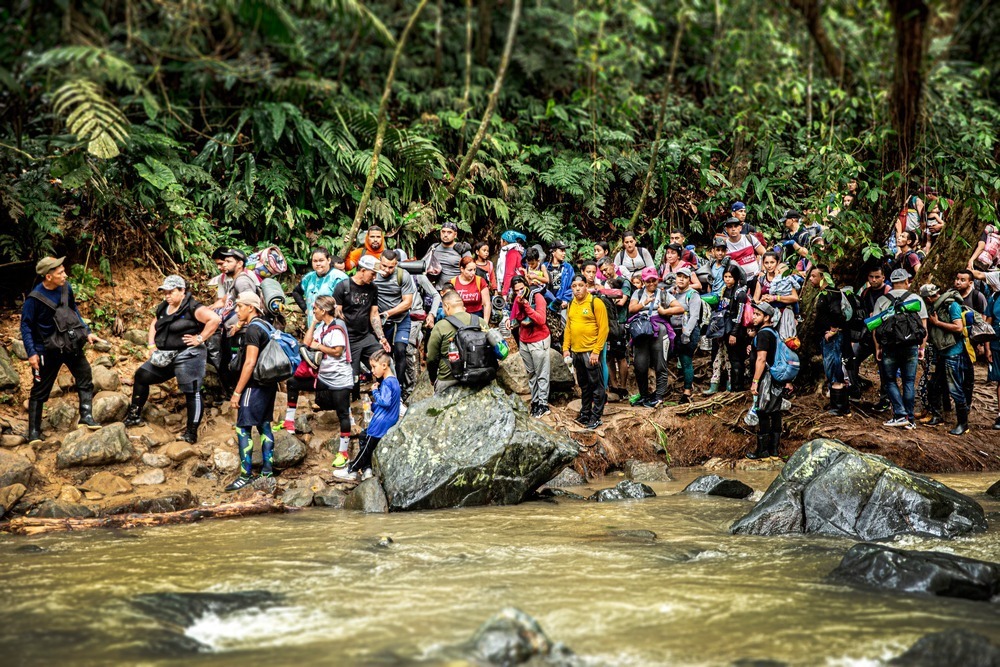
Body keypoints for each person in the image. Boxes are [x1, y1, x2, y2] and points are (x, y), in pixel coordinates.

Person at [123, 275, 221, 443]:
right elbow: (155, 323)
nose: (167, 296)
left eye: (171, 292)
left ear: (182, 291)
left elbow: (215, 319)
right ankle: (134, 415)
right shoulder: (163, 307)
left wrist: (200, 338)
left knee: (192, 392)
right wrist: (151, 345)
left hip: (189, 355)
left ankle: (191, 433)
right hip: (166, 355)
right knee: (141, 375)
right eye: (165, 293)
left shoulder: (193, 307)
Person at [21, 256, 105, 444]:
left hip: (70, 343)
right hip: (46, 349)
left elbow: (74, 310)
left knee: (84, 374)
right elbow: (25, 326)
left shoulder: (66, 288)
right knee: (40, 390)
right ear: (48, 277)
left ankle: (86, 416)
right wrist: (32, 353)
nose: (65, 275)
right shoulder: (34, 299)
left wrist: (87, 332)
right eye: (60, 273)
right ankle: (34, 432)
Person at [283, 297, 353, 468]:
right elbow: (307, 343)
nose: (313, 311)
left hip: (339, 378)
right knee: (293, 382)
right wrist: (313, 323)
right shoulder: (323, 326)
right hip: (323, 376)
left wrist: (319, 347)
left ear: (323, 310)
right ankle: (289, 422)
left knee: (342, 413)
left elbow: (337, 351)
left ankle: (343, 452)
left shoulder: (338, 327)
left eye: (315, 309)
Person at [225, 293, 279, 491]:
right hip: (268, 384)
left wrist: (237, 392)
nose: (237, 310)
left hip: (253, 385)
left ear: (251, 307)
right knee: (264, 426)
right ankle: (267, 470)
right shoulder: (265, 325)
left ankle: (245, 475)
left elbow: (249, 362)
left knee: (243, 428)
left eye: (240, 306)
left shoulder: (253, 330)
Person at [333, 350, 400, 482]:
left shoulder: (387, 382)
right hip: (388, 419)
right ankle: (367, 469)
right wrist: (372, 406)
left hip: (381, 423)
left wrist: (375, 392)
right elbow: (389, 403)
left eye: (374, 367)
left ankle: (351, 470)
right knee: (363, 436)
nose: (372, 370)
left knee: (366, 449)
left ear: (385, 366)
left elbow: (385, 402)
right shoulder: (394, 381)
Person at [872, 269, 927, 430]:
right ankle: (909, 418)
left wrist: (878, 348)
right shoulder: (916, 299)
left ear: (891, 281)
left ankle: (900, 414)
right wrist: (921, 347)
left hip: (890, 347)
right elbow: (923, 326)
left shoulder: (882, 300)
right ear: (907, 281)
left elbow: (875, 328)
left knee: (889, 381)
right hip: (911, 346)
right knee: (909, 381)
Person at [333, 255, 391, 398]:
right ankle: (354, 405)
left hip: (365, 336)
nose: (374, 277)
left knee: (383, 361)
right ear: (363, 270)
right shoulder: (343, 287)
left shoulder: (372, 288)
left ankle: (388, 396)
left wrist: (381, 337)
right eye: (372, 274)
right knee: (353, 377)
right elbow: (336, 313)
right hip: (349, 339)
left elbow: (374, 313)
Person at [628, 267, 683, 407]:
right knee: (640, 365)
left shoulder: (664, 294)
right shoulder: (638, 293)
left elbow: (680, 308)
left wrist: (664, 311)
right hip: (642, 331)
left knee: (660, 364)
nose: (651, 283)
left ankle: (659, 397)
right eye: (648, 281)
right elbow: (631, 309)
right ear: (644, 282)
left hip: (660, 330)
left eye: (654, 280)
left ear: (657, 280)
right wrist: (644, 303)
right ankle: (644, 395)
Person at [922, 283, 971, 435]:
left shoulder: (952, 305)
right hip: (942, 353)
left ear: (929, 298)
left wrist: (937, 323)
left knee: (955, 389)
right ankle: (937, 416)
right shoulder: (936, 307)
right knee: (934, 385)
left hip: (953, 353)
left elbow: (958, 327)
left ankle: (963, 424)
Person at [563, 275, 608, 428]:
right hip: (576, 352)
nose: (577, 289)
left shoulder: (596, 302)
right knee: (584, 385)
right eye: (574, 286)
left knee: (596, 385)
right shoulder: (571, 304)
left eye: (580, 285)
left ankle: (596, 416)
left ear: (586, 286)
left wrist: (596, 351)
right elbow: (568, 328)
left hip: (591, 351)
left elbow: (604, 329)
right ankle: (585, 413)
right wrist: (565, 349)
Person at [809, 266, 853, 417]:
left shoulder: (831, 293)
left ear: (822, 277)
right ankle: (837, 404)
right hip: (827, 338)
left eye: (813, 276)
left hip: (835, 339)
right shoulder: (823, 294)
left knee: (835, 369)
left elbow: (836, 312)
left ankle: (840, 407)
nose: (810, 279)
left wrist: (833, 330)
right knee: (831, 369)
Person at [426, 290, 489, 393]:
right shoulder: (480, 321)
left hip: (448, 379)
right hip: (479, 377)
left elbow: (431, 358)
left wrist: (433, 379)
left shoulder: (440, 326)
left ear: (446, 306)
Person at [375, 249, 416, 394]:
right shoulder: (373, 273)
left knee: (400, 350)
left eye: (390, 267)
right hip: (381, 322)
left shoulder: (402, 275)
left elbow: (408, 303)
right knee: (382, 354)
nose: (386, 270)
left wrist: (388, 313)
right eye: (384, 266)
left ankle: (398, 388)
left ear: (396, 264)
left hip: (400, 319)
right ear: (380, 261)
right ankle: (382, 387)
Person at [747, 301, 785, 459]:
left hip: (766, 378)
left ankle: (762, 451)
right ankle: (774, 451)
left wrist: (755, 381)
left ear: (767, 317)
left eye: (757, 314)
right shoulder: (774, 332)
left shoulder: (763, 334)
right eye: (754, 313)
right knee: (775, 411)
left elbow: (761, 360)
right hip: (777, 378)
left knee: (762, 411)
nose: (753, 317)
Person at [509, 275, 552, 416]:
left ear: (526, 286)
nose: (519, 293)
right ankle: (535, 402)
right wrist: (510, 321)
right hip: (524, 339)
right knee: (531, 373)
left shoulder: (537, 297)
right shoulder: (516, 299)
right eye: (516, 290)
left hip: (539, 339)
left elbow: (541, 319)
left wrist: (526, 305)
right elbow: (515, 315)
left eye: (522, 289)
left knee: (542, 374)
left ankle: (543, 404)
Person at [852, 265, 892, 409]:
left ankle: (885, 399)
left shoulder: (888, 293)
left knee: (884, 369)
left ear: (883, 278)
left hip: (882, 336)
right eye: (871, 277)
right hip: (867, 335)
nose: (874, 280)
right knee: (852, 359)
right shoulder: (866, 293)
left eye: (877, 277)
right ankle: (855, 391)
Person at [291, 247, 348, 328]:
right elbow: (296, 292)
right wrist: (305, 309)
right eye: (315, 261)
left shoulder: (339, 278)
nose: (318, 264)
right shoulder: (309, 277)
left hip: (332, 328)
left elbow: (348, 302)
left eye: (321, 260)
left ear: (328, 260)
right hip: (312, 326)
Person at [672, 267, 703, 402]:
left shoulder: (693, 294)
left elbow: (694, 316)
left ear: (689, 280)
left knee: (686, 360)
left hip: (687, 331)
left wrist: (687, 333)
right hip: (674, 330)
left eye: (684, 277)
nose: (681, 279)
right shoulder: (673, 293)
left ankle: (687, 391)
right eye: (679, 276)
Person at [721, 265, 750, 393]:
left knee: (737, 359)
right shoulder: (725, 290)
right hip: (727, 328)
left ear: (736, 278)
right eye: (725, 277)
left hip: (737, 331)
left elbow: (739, 315)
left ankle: (738, 388)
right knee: (733, 359)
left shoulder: (740, 294)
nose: (727, 280)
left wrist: (734, 333)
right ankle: (733, 387)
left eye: (730, 277)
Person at [425, 221, 472, 289]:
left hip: (458, 290)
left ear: (455, 235)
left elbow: (471, 270)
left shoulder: (462, 249)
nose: (445, 235)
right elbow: (424, 266)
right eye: (443, 232)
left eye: (449, 232)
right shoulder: (434, 248)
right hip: (438, 290)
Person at [723, 216, 765, 281]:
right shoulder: (724, 245)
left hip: (756, 277)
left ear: (740, 228)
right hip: (738, 281)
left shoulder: (749, 238)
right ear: (726, 229)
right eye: (730, 227)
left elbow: (763, 253)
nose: (733, 229)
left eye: (736, 226)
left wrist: (762, 271)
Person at [450, 256, 492, 321]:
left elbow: (486, 304)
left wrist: (485, 322)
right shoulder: (453, 282)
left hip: (477, 316)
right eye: (470, 270)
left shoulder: (480, 281)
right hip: (459, 317)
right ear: (462, 269)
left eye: (474, 270)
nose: (473, 273)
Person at [545, 240, 575, 315]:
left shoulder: (568, 267)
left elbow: (572, 285)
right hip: (545, 303)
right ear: (553, 252)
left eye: (564, 251)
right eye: (561, 250)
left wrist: (565, 299)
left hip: (562, 303)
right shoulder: (544, 267)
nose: (564, 253)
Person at [497, 230, 526, 296]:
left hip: (514, 287)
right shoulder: (517, 251)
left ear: (505, 241)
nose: (500, 242)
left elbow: (509, 273)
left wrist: (504, 292)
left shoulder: (511, 253)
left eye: (501, 240)